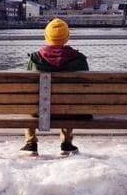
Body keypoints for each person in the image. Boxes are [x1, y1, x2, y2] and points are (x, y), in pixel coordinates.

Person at [21, 18, 89, 157]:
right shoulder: (79, 59)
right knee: (72, 101)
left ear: (46, 36)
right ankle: (67, 144)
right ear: (67, 37)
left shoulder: (35, 59)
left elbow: (28, 89)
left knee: (29, 102)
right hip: (69, 111)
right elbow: (84, 89)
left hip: (39, 111)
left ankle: (31, 143)